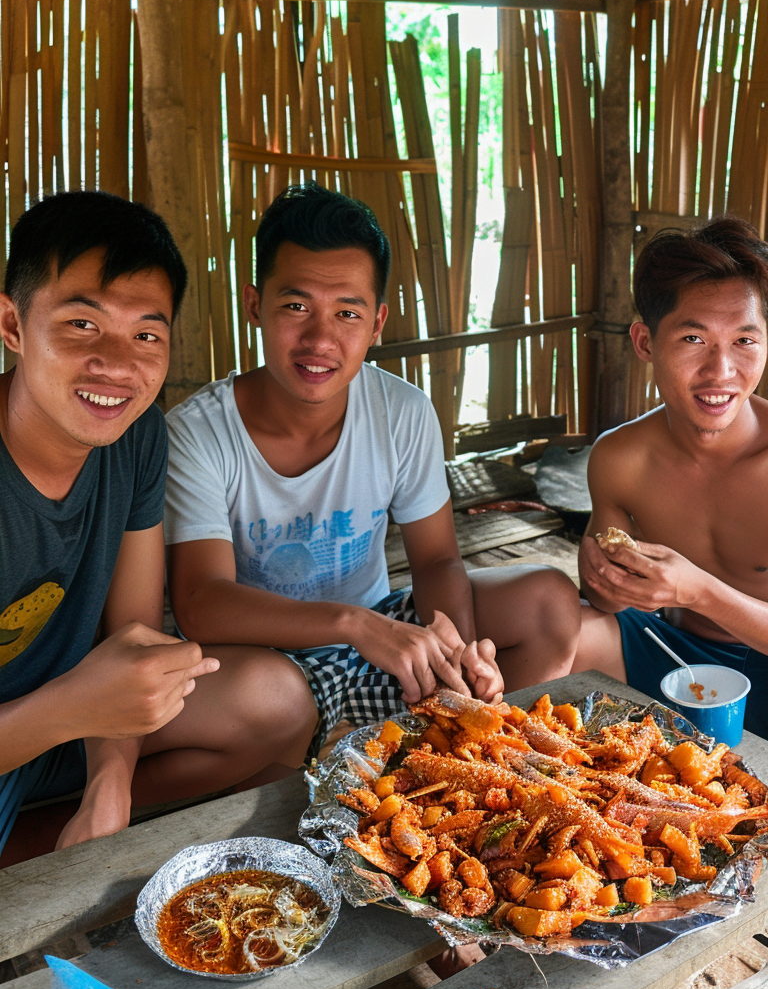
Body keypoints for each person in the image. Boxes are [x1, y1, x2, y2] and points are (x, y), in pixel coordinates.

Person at [165, 182, 581, 775]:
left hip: (383, 638)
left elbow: (436, 561)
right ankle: (319, 754)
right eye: (296, 306)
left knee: (549, 600)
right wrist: (356, 625)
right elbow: (201, 605)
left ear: (378, 321)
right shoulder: (199, 433)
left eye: (348, 313)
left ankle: (450, 760)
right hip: (261, 659)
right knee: (272, 696)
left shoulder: (401, 412)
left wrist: (453, 661)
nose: (320, 338)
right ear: (255, 305)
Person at [0, 190, 282, 857]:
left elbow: (135, 639)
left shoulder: (136, 437)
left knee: (274, 700)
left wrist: (111, 782)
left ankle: (42, 849)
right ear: (12, 324)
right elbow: (99, 688)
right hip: (48, 716)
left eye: (146, 334)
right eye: (81, 325)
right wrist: (73, 706)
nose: (117, 364)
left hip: (66, 722)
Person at [573, 215, 768, 738]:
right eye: (693, 338)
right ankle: (528, 773)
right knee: (548, 611)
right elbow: (608, 604)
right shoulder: (619, 458)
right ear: (645, 342)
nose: (721, 371)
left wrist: (697, 591)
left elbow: (696, 592)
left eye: (744, 342)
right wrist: (607, 580)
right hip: (673, 654)